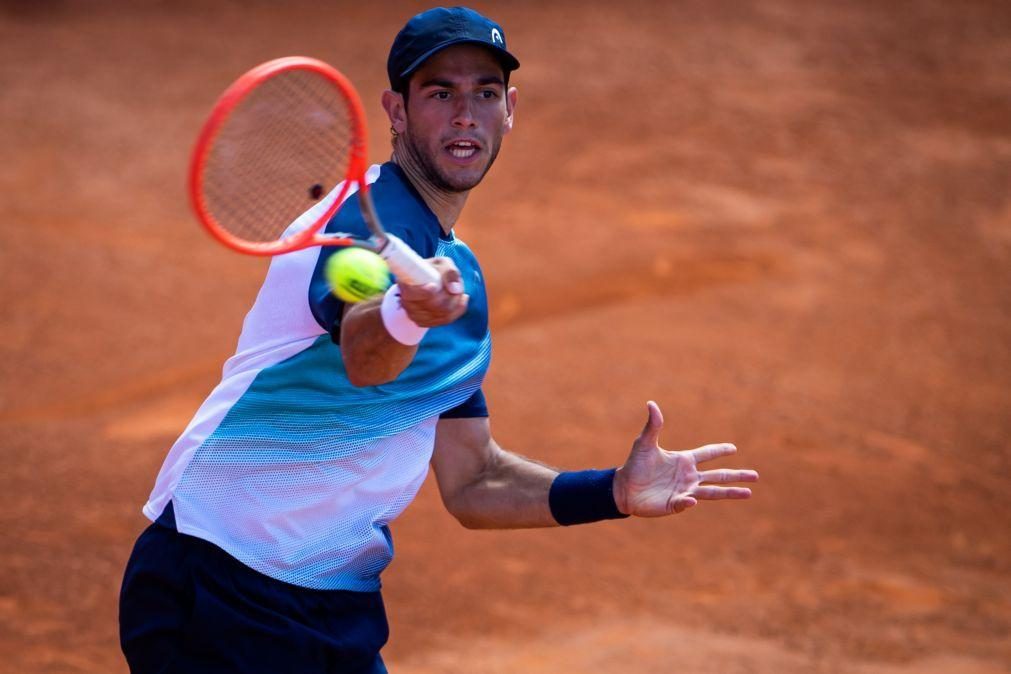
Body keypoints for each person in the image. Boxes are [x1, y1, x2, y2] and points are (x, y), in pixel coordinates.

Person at [119, 7, 759, 673]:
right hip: (221, 579)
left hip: (330, 605)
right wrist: (408, 314)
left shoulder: (457, 280)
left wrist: (612, 493)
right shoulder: (357, 222)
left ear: (509, 109)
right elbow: (365, 357)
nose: (464, 115)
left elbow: (472, 480)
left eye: (484, 93)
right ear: (395, 111)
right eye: (439, 92)